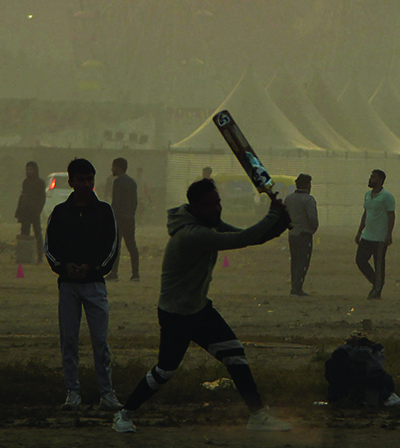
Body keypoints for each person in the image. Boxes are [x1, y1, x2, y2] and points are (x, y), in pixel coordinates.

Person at [111, 177, 292, 433]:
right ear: (194, 206)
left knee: (235, 356)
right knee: (165, 371)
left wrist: (279, 226)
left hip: (199, 309)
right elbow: (242, 238)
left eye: (218, 203)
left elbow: (250, 237)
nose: (216, 209)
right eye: (209, 205)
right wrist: (274, 214)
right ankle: (124, 415)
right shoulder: (192, 235)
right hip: (177, 315)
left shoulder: (205, 223)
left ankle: (258, 415)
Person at [45, 157, 121, 411]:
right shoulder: (60, 212)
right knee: (69, 340)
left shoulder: (104, 211)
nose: (86, 184)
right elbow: (50, 246)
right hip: (67, 285)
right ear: (71, 181)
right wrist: (64, 266)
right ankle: (72, 392)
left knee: (100, 340)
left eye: (90, 179)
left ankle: (107, 393)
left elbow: (111, 246)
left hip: (95, 284)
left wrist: (93, 267)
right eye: (81, 180)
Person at [356, 169, 397, 298]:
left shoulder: (387, 197)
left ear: (380, 180)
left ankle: (377, 290)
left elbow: (391, 215)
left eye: (373, 177)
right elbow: (366, 213)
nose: (370, 179)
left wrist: (389, 234)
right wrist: (359, 231)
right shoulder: (368, 195)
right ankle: (376, 282)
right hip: (367, 236)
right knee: (360, 260)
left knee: (378, 264)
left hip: (379, 238)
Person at [286, 173, 318, 295]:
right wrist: (314, 227)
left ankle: (294, 284)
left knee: (294, 261)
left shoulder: (289, 198)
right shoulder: (309, 200)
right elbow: (312, 218)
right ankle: (297, 287)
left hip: (292, 234)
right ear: (307, 185)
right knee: (303, 261)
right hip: (304, 234)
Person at [110, 157, 140, 281]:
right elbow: (135, 202)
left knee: (116, 247)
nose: (112, 169)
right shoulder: (132, 182)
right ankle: (135, 274)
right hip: (129, 218)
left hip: (119, 218)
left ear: (118, 168)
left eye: (113, 166)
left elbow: (115, 203)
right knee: (132, 246)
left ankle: (114, 273)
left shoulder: (118, 182)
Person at [15, 160, 48, 258]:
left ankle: (39, 256)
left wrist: (37, 211)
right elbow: (23, 197)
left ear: (35, 170)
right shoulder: (25, 182)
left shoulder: (40, 183)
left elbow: (42, 199)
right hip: (25, 211)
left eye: (31, 169)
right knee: (24, 233)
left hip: (34, 212)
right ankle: (24, 256)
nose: (29, 172)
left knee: (37, 233)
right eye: (27, 169)